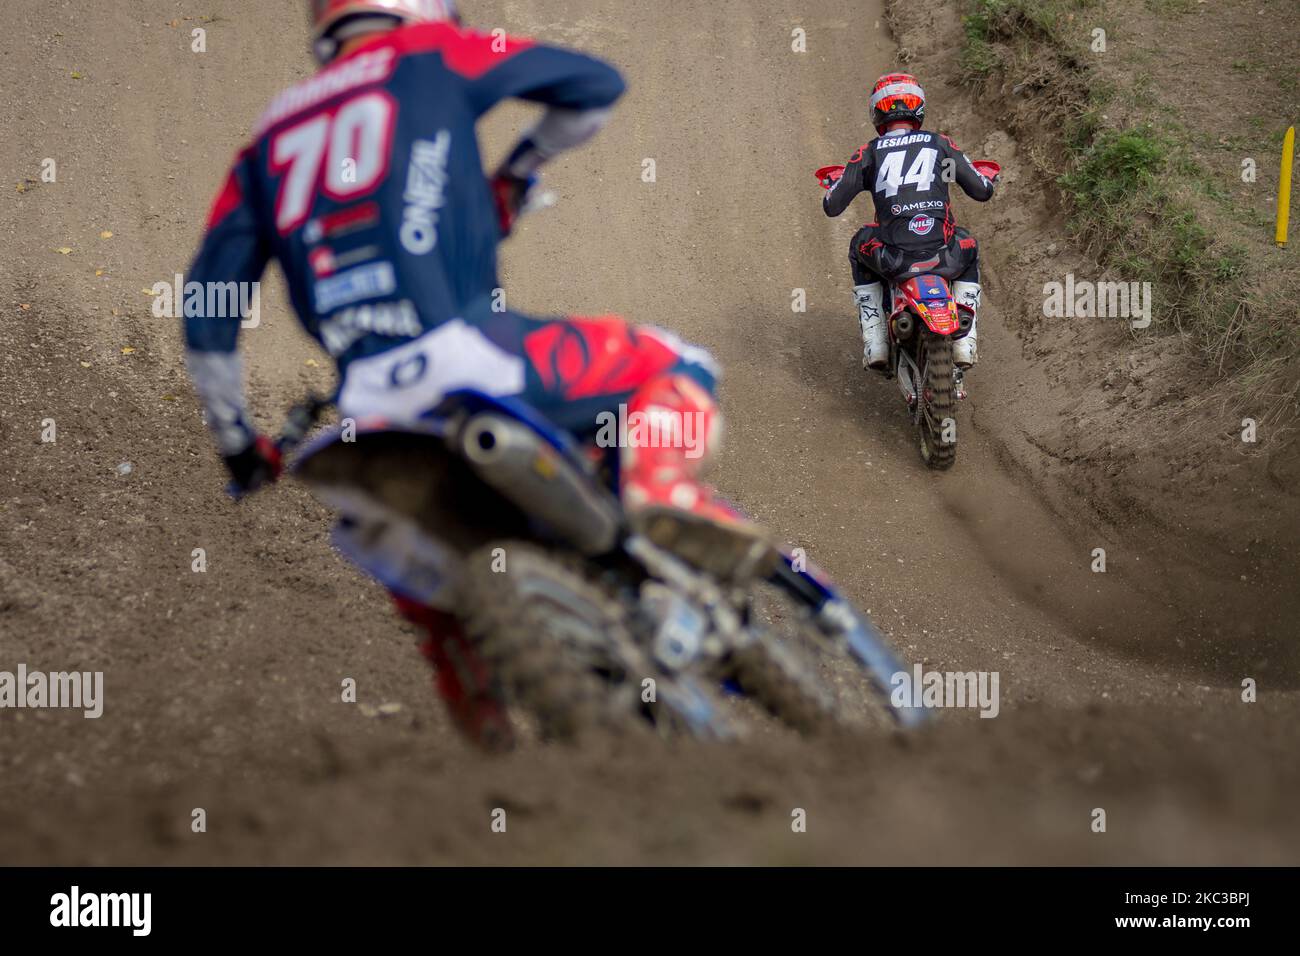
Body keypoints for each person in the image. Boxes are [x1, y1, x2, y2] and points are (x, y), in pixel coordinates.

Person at [182, 0, 768, 749]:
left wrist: (238, 442)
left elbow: (207, 306)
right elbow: (594, 83)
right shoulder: (432, 53)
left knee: (440, 613)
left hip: (366, 413)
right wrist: (517, 173)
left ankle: (495, 761)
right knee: (678, 364)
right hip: (472, 359)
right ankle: (664, 494)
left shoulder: (265, 140)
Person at [822, 72, 996, 371]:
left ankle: (875, 341)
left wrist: (839, 181)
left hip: (894, 259)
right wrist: (988, 177)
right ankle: (966, 341)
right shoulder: (940, 144)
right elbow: (982, 190)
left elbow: (832, 206)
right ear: (919, 108)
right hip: (945, 257)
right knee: (969, 243)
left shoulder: (868, 153)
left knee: (859, 242)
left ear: (877, 111)